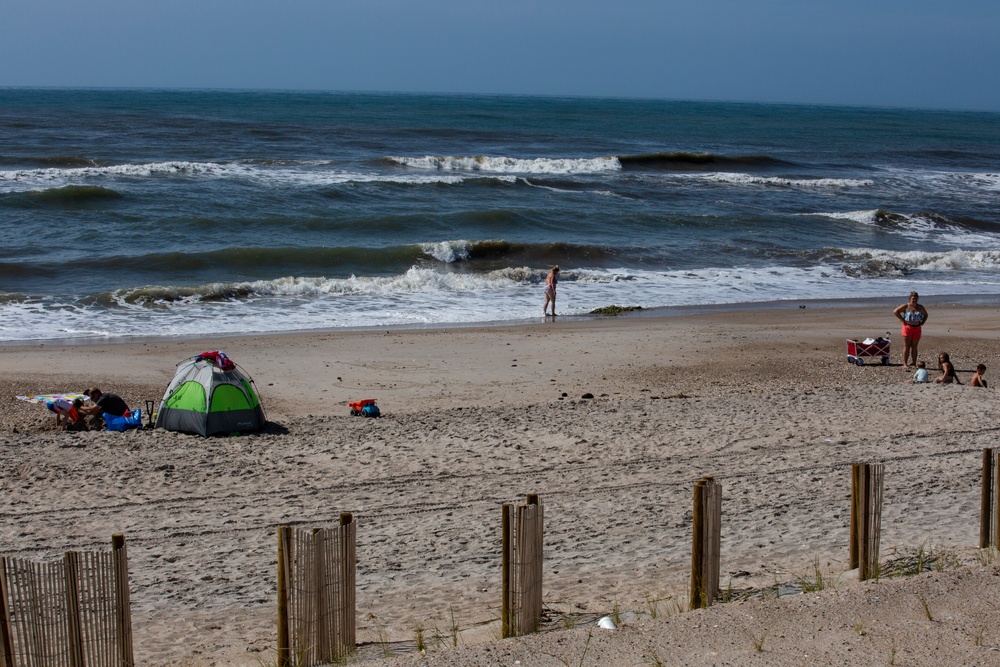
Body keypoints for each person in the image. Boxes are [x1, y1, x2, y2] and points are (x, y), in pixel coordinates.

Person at [893, 291, 928, 370]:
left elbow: (925, 315)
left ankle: (914, 362)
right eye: (913, 298)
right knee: (907, 346)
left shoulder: (920, 307)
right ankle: (905, 363)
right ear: (910, 298)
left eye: (916, 298)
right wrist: (902, 319)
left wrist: (923, 322)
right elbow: (895, 311)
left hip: (917, 327)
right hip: (907, 327)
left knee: (914, 346)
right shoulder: (906, 306)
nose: (914, 300)